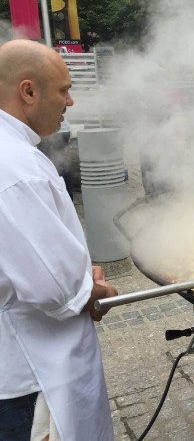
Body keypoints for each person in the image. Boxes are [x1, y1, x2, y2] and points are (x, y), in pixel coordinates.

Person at [0, 39, 118, 439]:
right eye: (64, 89)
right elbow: (54, 287)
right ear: (28, 91)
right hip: (29, 370)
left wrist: (79, 275)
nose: (70, 102)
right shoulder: (15, 169)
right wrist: (91, 288)